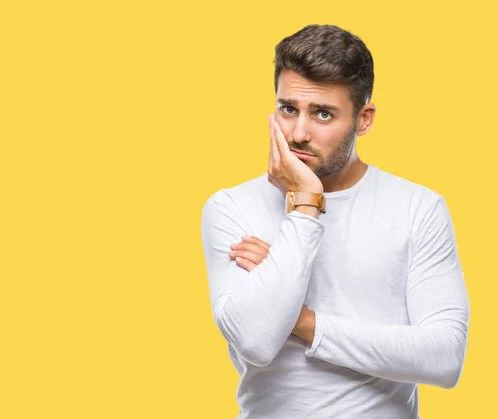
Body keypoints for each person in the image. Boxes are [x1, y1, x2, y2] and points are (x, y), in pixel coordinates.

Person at [200, 24, 470, 418]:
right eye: (287, 109)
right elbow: (255, 342)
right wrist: (306, 205)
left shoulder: (418, 208)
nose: (298, 133)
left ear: (364, 119)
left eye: (322, 114)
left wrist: (300, 318)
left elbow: (445, 358)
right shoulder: (231, 206)